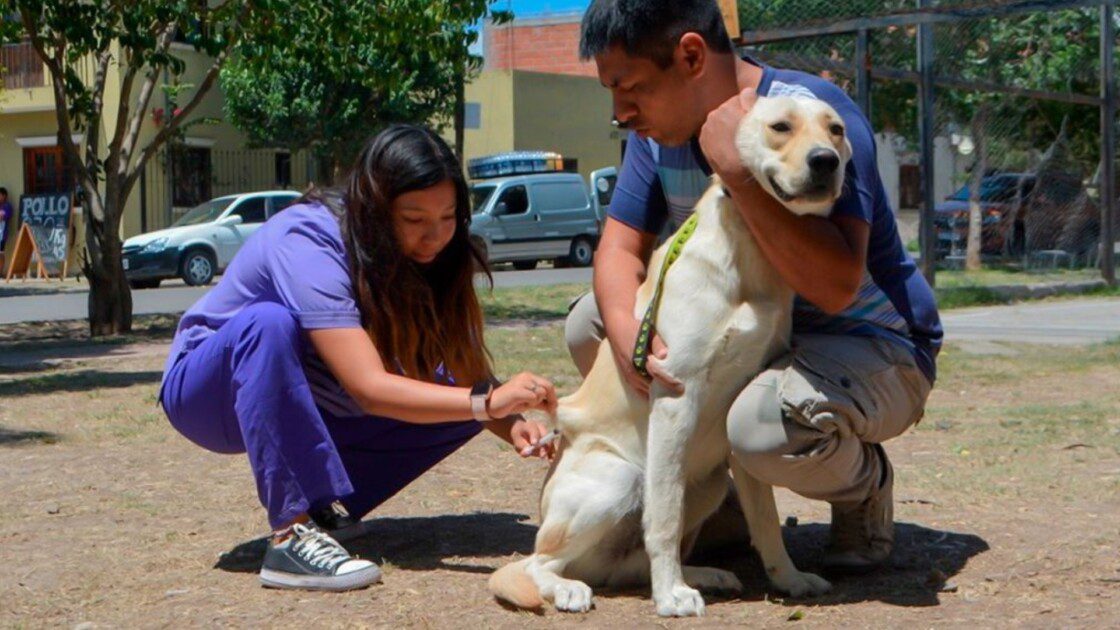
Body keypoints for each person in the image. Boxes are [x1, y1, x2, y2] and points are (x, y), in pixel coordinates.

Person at [568, 0, 943, 574]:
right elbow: (618, 250)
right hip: (761, 338)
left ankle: (862, 486)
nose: (621, 112)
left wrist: (737, 172)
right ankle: (715, 503)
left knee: (761, 427)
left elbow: (837, 288)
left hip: (871, 344)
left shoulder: (816, 117)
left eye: (630, 87)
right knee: (591, 321)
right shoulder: (655, 136)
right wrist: (628, 337)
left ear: (691, 55)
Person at [160, 125, 559, 592]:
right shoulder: (309, 235)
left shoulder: (435, 256)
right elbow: (367, 388)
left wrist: (510, 421)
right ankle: (290, 536)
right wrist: (486, 403)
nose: (434, 237)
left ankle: (324, 505)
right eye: (414, 220)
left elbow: (467, 376)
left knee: (453, 393)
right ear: (373, 208)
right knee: (267, 323)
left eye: (448, 217)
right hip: (209, 394)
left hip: (305, 390)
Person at [0, 187, 12, 270]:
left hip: (2, 234)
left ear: (4, 196)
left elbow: (3, 217)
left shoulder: (7, 206)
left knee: (0, 253)